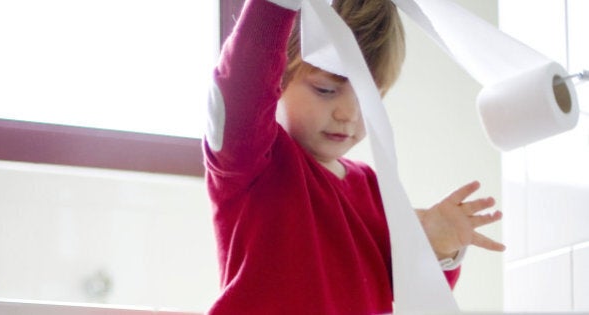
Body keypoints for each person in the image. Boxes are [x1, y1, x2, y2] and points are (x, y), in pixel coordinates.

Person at [203, 0, 505, 313]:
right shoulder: (253, 159)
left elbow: (414, 293)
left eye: (367, 97)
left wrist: (437, 248)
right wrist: (274, 7)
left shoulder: (374, 187)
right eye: (324, 90)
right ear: (277, 77)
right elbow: (239, 93)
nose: (347, 114)